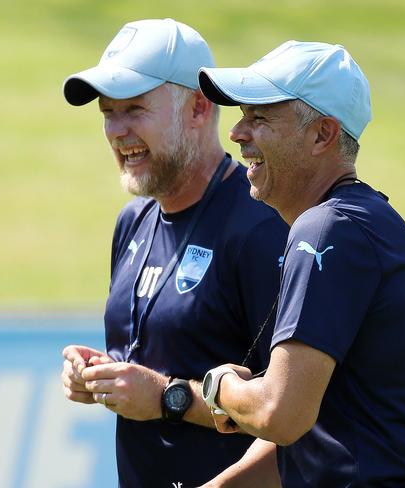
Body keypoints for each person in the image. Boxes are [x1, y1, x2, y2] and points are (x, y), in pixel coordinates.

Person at [196, 41, 405, 487]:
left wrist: (221, 387)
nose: (236, 133)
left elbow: (280, 413)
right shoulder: (351, 222)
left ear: (322, 135)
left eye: (260, 117)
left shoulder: (329, 228)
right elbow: (316, 434)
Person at [59, 19, 288, 487]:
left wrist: (166, 398)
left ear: (199, 108)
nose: (117, 132)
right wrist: (103, 376)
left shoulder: (259, 228)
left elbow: (295, 413)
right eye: (108, 113)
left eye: (135, 110)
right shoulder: (134, 221)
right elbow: (164, 356)